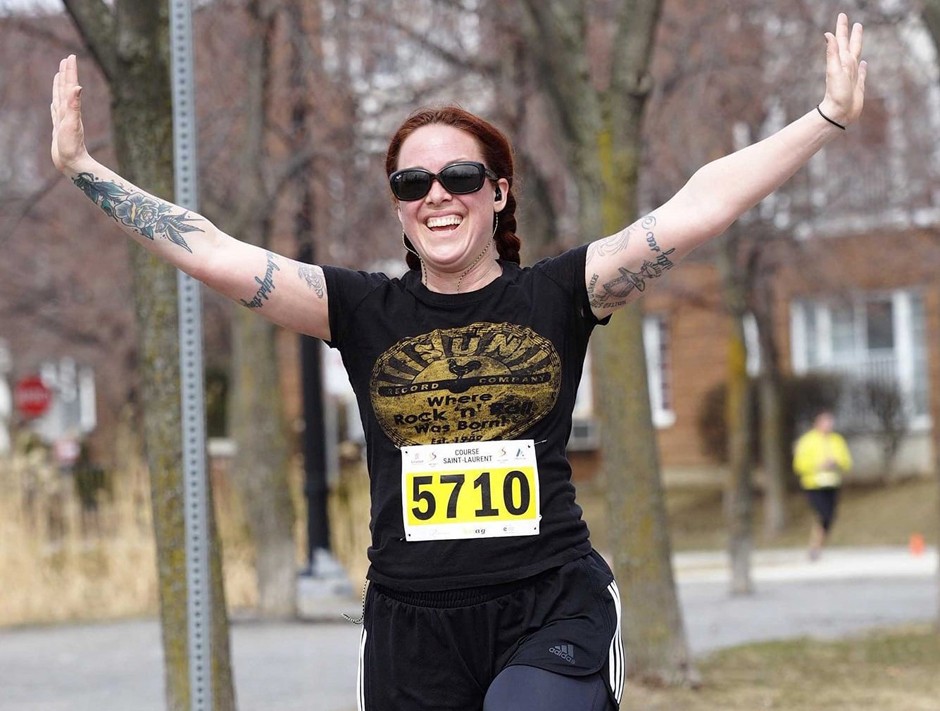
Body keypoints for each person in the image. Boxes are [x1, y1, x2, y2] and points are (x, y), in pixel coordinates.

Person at [50, 13, 866, 711]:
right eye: (413, 182)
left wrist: (826, 116)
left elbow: (698, 208)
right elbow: (216, 253)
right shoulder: (361, 311)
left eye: (460, 175)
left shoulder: (560, 294)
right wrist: (86, 171)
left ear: (499, 191)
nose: (436, 194)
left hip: (549, 605)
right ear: (400, 208)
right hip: (411, 625)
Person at [793, 409, 853, 561]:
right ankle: (815, 547)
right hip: (814, 484)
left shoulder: (837, 440)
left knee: (830, 517)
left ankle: (816, 546)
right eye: (826, 422)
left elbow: (847, 461)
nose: (829, 425)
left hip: (832, 483)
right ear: (817, 423)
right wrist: (818, 465)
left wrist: (836, 463)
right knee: (823, 514)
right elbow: (799, 465)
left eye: (831, 422)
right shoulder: (807, 441)